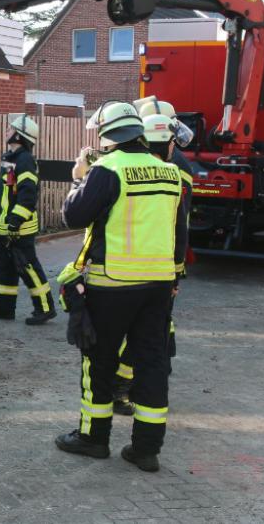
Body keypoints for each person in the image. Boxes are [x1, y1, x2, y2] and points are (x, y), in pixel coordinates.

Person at [54, 101, 186, 473]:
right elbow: (180, 232)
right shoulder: (169, 172)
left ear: (106, 136)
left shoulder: (106, 170)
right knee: (152, 364)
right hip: (158, 286)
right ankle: (146, 449)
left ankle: (93, 438)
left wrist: (81, 177)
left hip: (111, 285)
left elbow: (73, 215)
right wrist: (174, 278)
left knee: (99, 362)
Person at [112, 99, 195, 415]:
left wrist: (176, 269)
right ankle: (140, 378)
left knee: (145, 332)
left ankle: (127, 384)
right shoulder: (169, 165)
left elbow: (178, 221)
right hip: (152, 265)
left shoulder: (171, 167)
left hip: (144, 264)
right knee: (152, 329)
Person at [0, 116, 56, 325]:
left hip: (19, 230)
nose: (6, 131)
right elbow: (3, 192)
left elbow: (28, 196)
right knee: (4, 268)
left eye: (10, 129)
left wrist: (15, 221)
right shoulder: (10, 158)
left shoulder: (25, 161)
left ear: (18, 135)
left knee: (28, 268)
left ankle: (45, 308)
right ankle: (4, 309)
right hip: (4, 227)